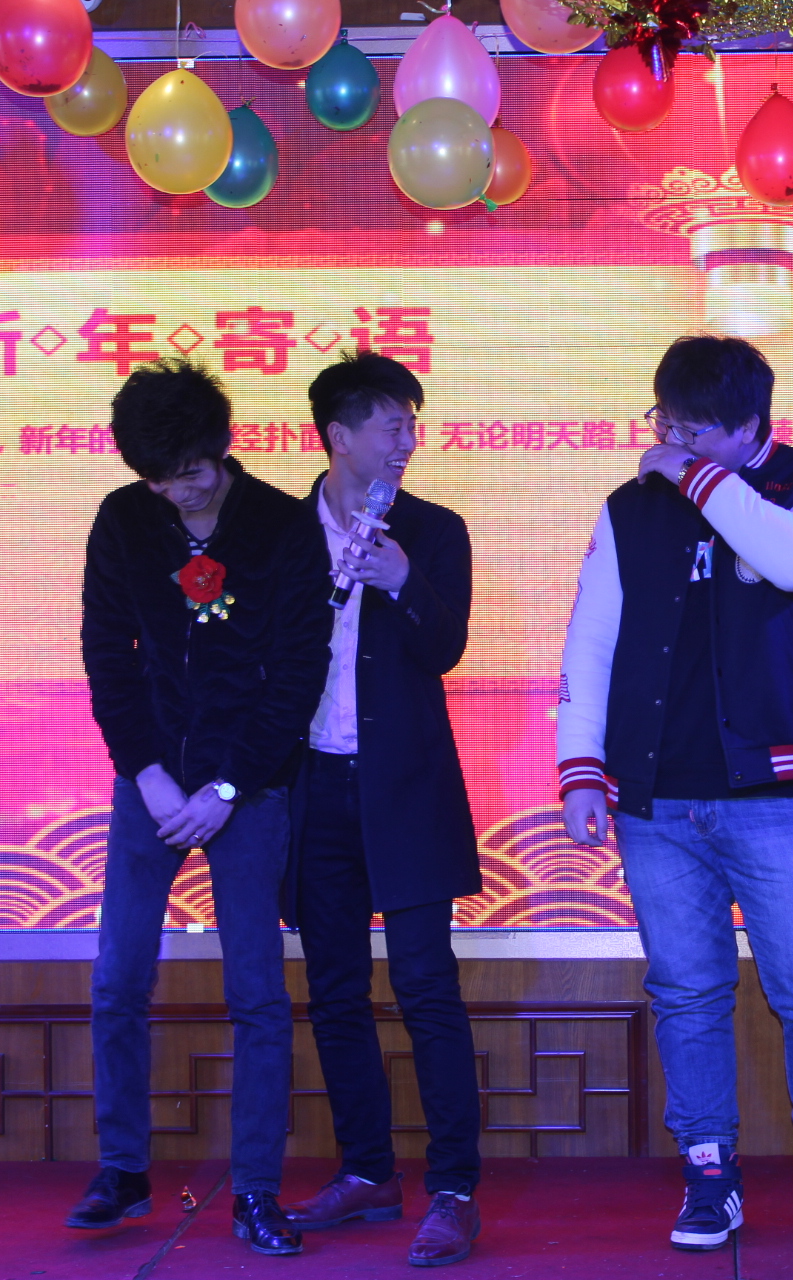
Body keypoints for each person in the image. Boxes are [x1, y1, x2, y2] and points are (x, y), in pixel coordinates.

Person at [557, 335, 793, 1251]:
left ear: (750, 426)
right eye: (667, 423)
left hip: (777, 797)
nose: (672, 441)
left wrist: (696, 476)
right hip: (656, 801)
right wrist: (581, 766)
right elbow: (591, 639)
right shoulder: (631, 507)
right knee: (687, 993)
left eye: (696, 429)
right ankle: (707, 1174)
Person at [68, 357, 332, 1257]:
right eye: (156, 477)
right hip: (148, 783)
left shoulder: (283, 526)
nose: (173, 491)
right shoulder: (124, 520)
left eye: (185, 473)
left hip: (245, 789)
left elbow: (297, 673)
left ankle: (255, 1190)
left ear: (220, 449)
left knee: (256, 991)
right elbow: (107, 654)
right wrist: (145, 774)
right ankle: (122, 1169)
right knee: (117, 979)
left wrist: (227, 786)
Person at [278, 352, 485, 1268]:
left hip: (405, 788)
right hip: (314, 788)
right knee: (333, 991)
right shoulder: (280, 535)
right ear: (340, 436)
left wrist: (402, 578)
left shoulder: (435, 531)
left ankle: (454, 1190)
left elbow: (445, 649)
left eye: (412, 425)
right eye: (393, 425)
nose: (408, 440)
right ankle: (366, 1171)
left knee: (426, 987)